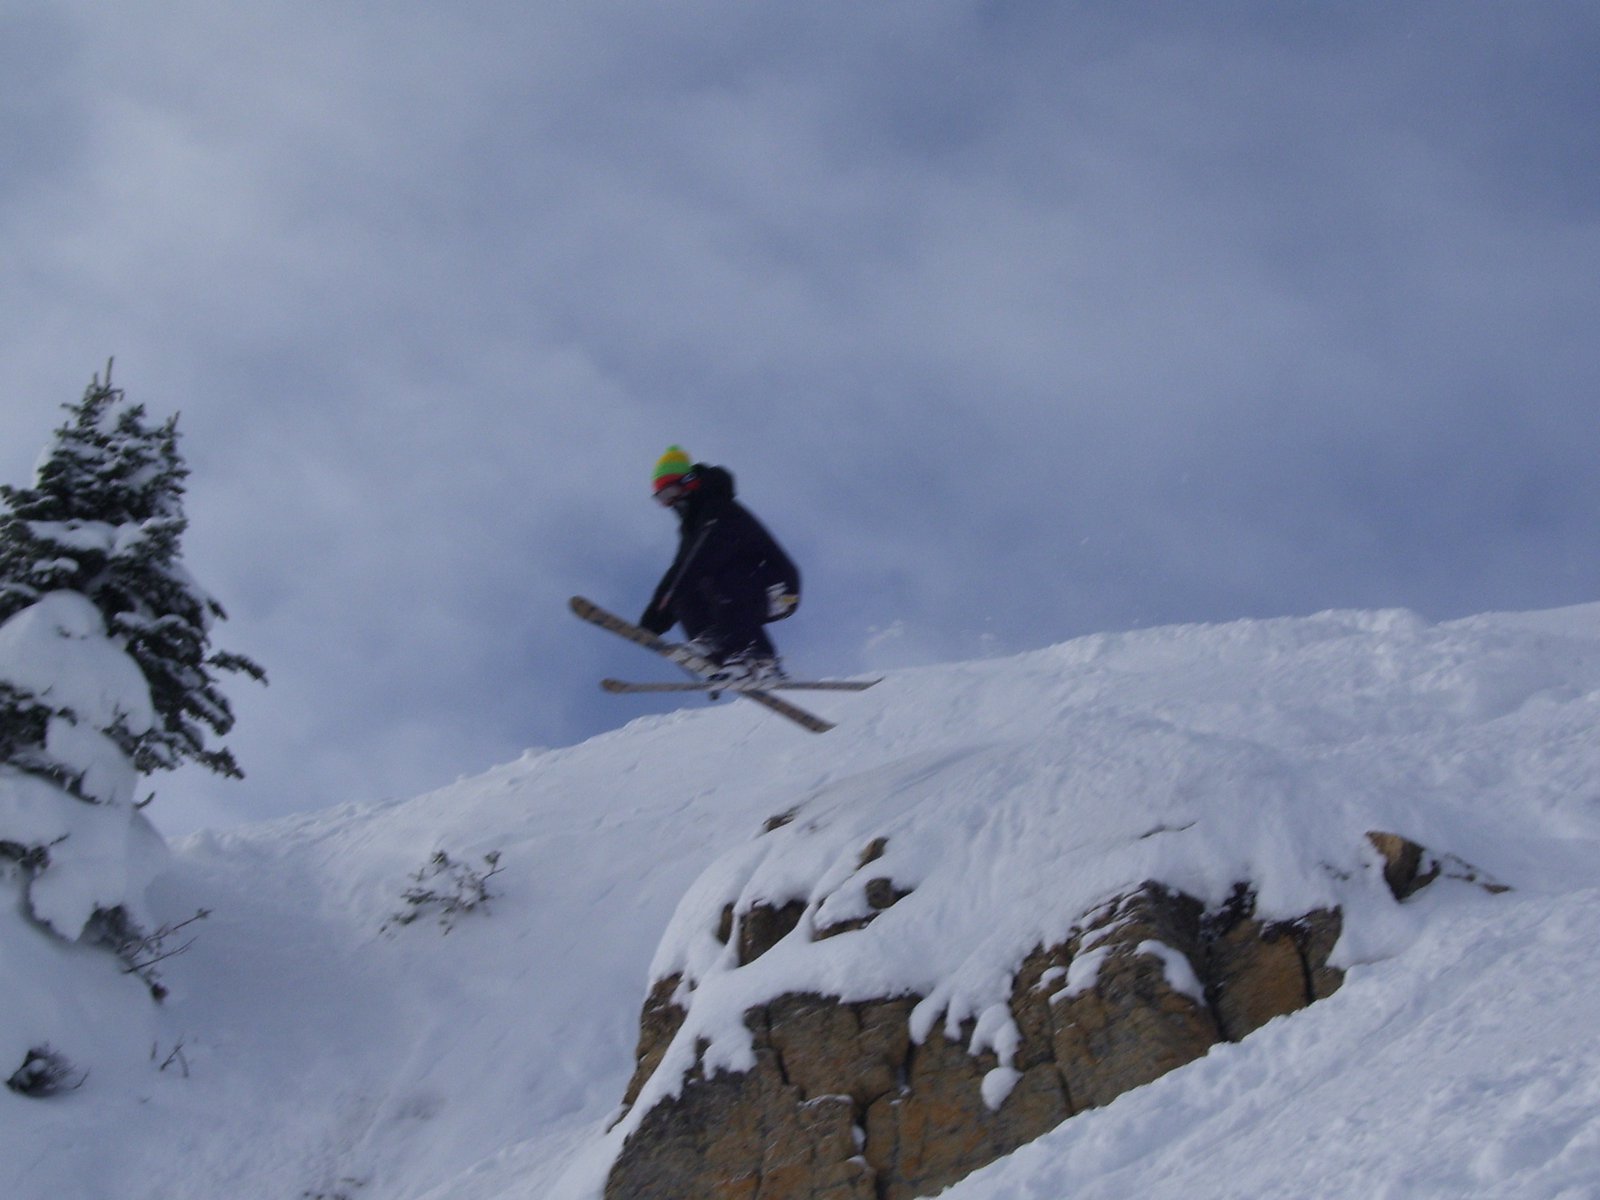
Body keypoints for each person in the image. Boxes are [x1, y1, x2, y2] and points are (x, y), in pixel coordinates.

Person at [640, 446, 800, 683]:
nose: (671, 502)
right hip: (745, 593)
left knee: (717, 578)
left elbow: (702, 557)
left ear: (689, 482)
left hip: (778, 589)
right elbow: (679, 571)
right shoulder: (691, 528)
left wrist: (667, 601)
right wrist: (655, 616)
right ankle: (717, 649)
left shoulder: (718, 509)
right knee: (683, 594)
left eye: (671, 492)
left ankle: (758, 658)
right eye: (662, 499)